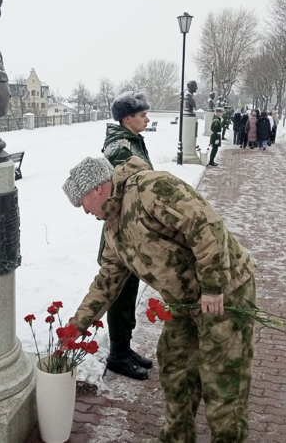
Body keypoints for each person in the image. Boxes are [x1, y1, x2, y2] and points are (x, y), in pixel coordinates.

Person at [62, 156, 256, 443]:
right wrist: (77, 325)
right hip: (183, 303)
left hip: (224, 293)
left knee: (223, 378)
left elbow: (205, 226)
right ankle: (177, 437)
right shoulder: (114, 228)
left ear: (97, 190)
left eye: (81, 203)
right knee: (176, 367)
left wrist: (214, 286)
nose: (84, 211)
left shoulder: (150, 188)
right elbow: (108, 280)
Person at [99, 91, 154, 380]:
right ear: (127, 118)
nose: (147, 118)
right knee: (120, 293)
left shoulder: (131, 141)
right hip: (122, 231)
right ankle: (117, 354)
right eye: (142, 114)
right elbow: (119, 196)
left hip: (132, 229)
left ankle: (125, 347)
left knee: (129, 290)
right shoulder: (120, 147)